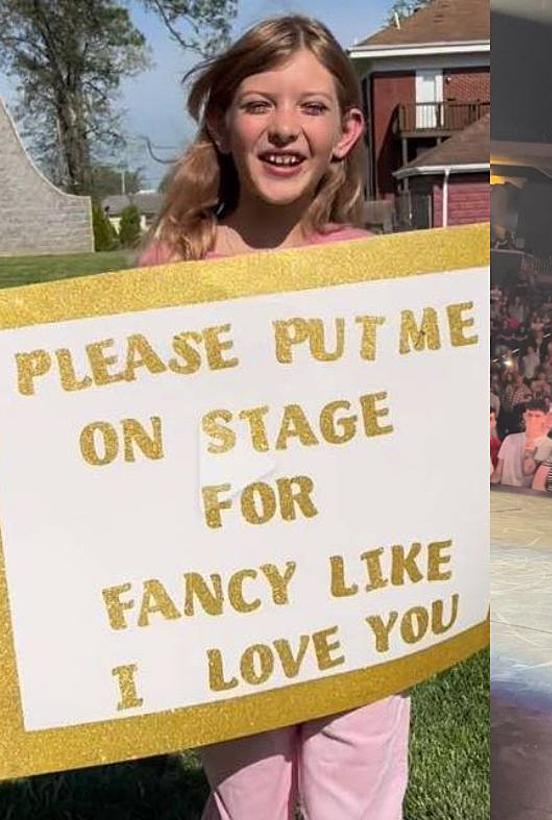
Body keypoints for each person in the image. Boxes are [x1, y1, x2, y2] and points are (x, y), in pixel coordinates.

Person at [139, 17, 406, 818]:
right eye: (259, 104)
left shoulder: (378, 273)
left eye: (312, 108)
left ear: (347, 131)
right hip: (230, 606)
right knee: (247, 802)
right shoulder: (169, 268)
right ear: (222, 121)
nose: (286, 127)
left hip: (359, 600)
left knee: (353, 800)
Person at [491, 398, 552, 487]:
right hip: (505, 493)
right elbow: (498, 473)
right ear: (524, 416)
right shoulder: (510, 439)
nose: (532, 419)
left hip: (530, 497)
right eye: (530, 415)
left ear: (545, 418)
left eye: (537, 416)